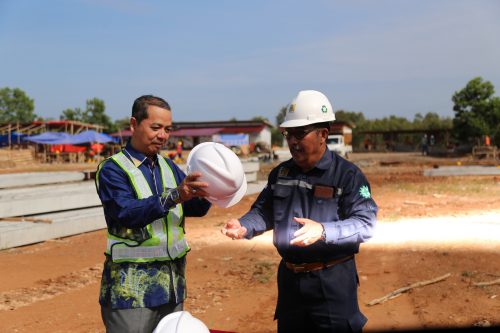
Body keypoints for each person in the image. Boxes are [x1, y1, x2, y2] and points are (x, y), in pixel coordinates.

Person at [222, 90, 378, 333]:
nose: (292, 141)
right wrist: (244, 225)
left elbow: (366, 224)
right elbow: (264, 211)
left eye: (300, 133)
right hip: (291, 283)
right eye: (288, 134)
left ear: (323, 135)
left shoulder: (348, 175)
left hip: (331, 283)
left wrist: (324, 230)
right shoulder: (281, 174)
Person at [95, 95, 211, 333]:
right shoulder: (113, 169)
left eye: (168, 129)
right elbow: (126, 212)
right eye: (156, 127)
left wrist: (214, 186)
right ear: (133, 124)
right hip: (131, 294)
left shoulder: (168, 167)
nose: (163, 135)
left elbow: (196, 207)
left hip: (172, 288)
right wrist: (175, 195)